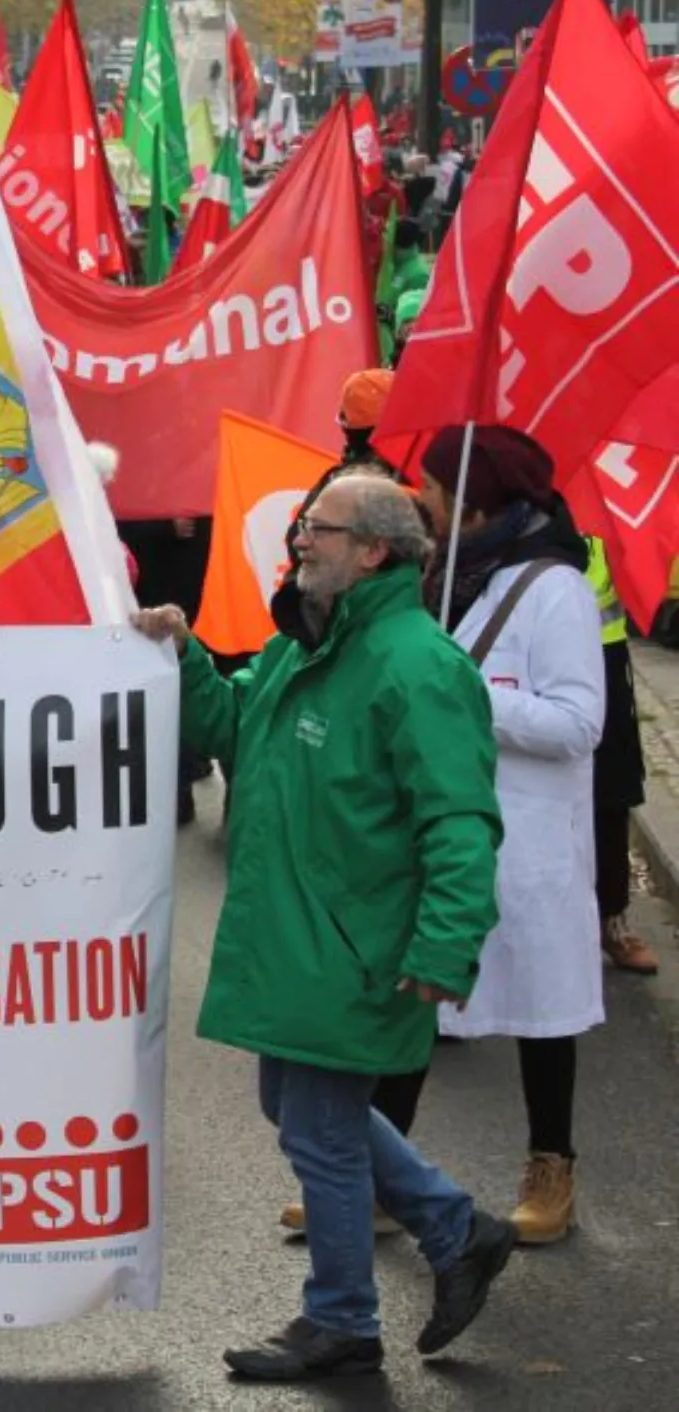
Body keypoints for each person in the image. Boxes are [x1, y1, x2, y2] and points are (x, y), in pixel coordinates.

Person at [135, 474, 517, 1380]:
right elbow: (229, 725)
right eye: (305, 526)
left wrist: (444, 945)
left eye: (319, 529)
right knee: (299, 1111)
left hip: (357, 950)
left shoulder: (417, 666)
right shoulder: (307, 647)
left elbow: (461, 821)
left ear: (374, 551)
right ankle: (459, 1229)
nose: (300, 540)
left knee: (321, 1130)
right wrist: (185, 654)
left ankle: (343, 1318)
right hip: (304, 943)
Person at [407, 428, 604, 1246]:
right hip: (442, 830)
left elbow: (577, 722)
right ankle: (388, 1177)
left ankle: (551, 1167)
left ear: (473, 502)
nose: (421, 500)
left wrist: (470, 695)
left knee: (541, 1010)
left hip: (526, 840)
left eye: (433, 488)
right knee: (411, 1007)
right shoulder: (443, 578)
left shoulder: (553, 588)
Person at [591, 535, 655, 974]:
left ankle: (612, 917)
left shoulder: (603, 495)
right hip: (530, 645)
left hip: (603, 650)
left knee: (611, 793)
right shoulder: (519, 493)